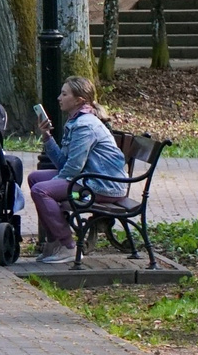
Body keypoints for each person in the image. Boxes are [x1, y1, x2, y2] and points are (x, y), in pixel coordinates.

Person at [26, 76, 125, 263]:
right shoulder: (75, 122)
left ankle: (68, 246)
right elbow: (64, 164)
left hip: (103, 184)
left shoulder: (85, 125)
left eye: (64, 94)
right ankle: (54, 241)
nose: (58, 98)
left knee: (41, 190)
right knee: (35, 179)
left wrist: (54, 185)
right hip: (87, 178)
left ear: (79, 100)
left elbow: (73, 168)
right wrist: (47, 136)